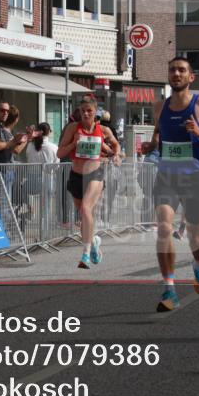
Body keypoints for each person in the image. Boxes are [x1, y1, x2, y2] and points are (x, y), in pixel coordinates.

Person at [140, 57, 199, 312]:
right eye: (172, 70)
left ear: (191, 77)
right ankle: (169, 289)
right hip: (166, 176)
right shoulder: (160, 107)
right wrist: (152, 145)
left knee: (194, 235)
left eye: (181, 70)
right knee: (164, 228)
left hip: (193, 176)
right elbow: (159, 133)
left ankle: (198, 266)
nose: (176, 73)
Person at [57, 95, 121, 269]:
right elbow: (60, 153)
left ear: (95, 112)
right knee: (83, 218)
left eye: (89, 111)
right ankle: (94, 242)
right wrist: (74, 144)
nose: (85, 114)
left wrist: (115, 155)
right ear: (79, 112)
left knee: (86, 208)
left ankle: (85, 254)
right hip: (76, 176)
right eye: (83, 111)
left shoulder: (104, 130)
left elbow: (116, 145)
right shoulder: (72, 128)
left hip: (95, 174)